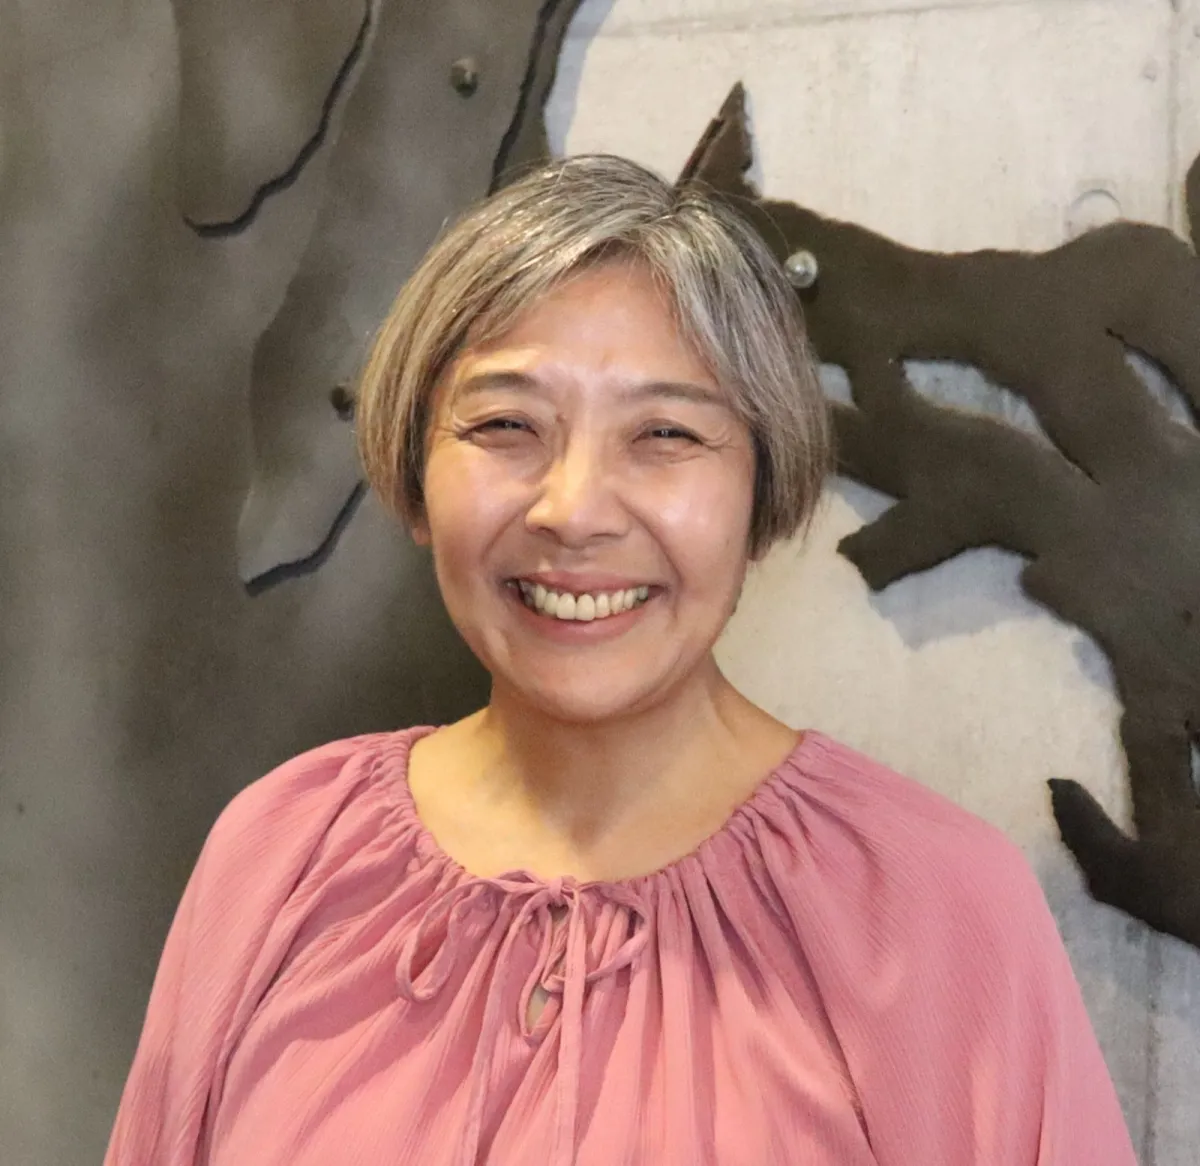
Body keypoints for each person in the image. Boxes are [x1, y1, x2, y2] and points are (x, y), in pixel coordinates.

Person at [105, 156, 1137, 1166]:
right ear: (417, 469)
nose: (574, 509)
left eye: (664, 433)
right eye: (506, 423)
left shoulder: (936, 907)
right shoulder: (284, 852)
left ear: (761, 491)